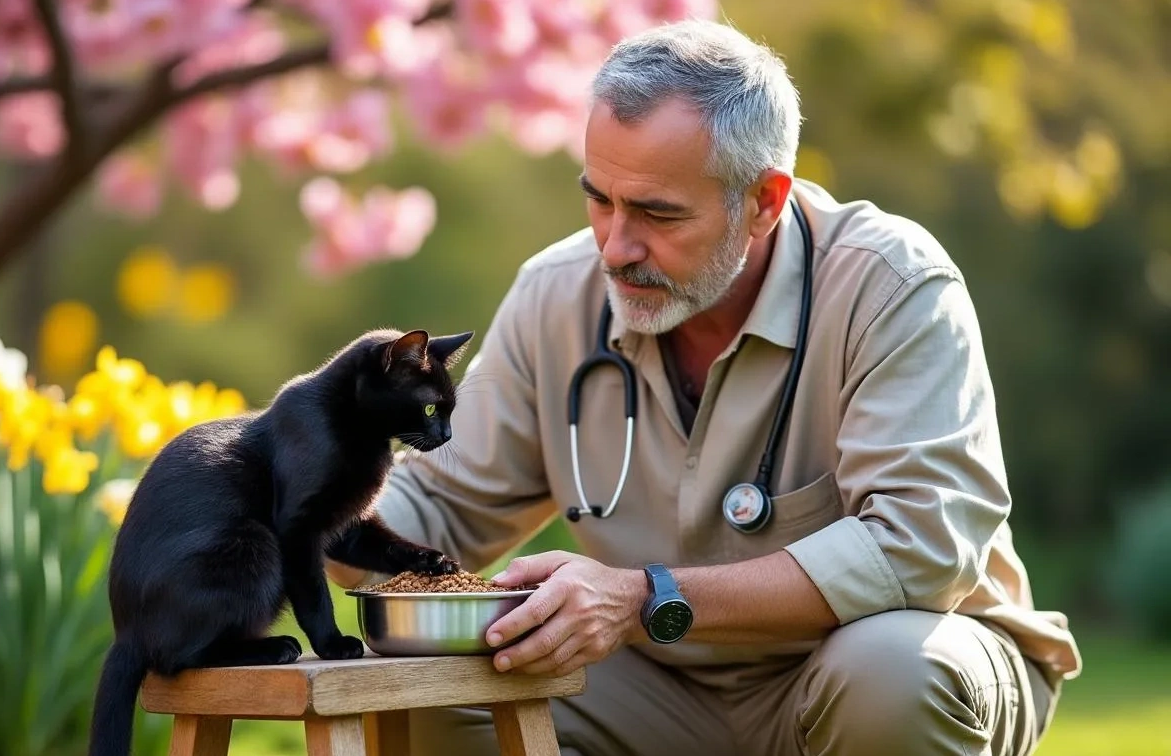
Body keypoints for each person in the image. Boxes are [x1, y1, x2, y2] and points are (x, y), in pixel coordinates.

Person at [328, 18, 1082, 756]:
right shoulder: (554, 295)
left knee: (894, 676)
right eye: (599, 199)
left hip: (873, 662)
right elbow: (435, 505)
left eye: (657, 212)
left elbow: (923, 548)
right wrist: (278, 499)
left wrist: (645, 598)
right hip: (654, 685)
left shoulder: (894, 285)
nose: (616, 248)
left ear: (764, 200)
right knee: (426, 693)